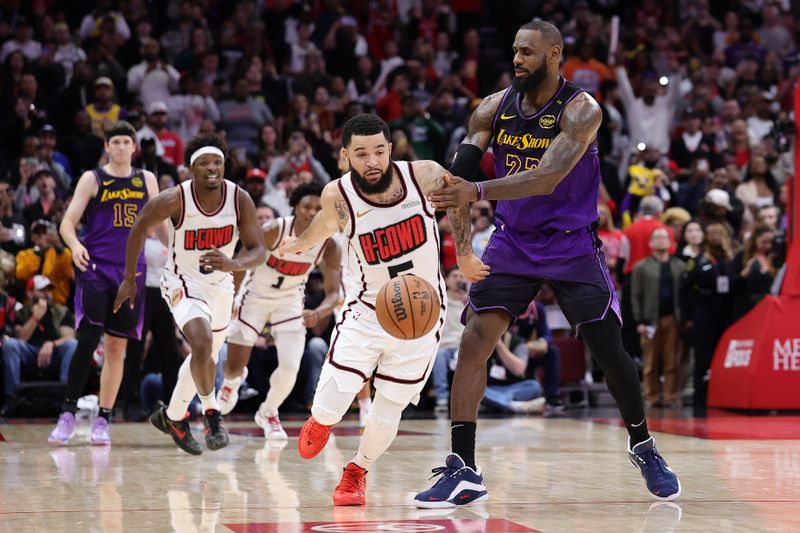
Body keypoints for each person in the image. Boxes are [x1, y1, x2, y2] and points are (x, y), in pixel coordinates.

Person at [414, 21, 680, 507]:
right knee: (475, 340)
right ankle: (463, 467)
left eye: (527, 53)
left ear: (554, 55)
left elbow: (547, 178)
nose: (516, 59)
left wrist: (476, 191)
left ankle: (642, 443)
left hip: (571, 243)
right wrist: (467, 249)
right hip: (513, 242)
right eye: (514, 51)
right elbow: (458, 182)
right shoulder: (491, 108)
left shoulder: (582, 110)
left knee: (608, 350)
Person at [278, 113, 472, 506]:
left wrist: (464, 254)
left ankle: (356, 472)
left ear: (390, 149)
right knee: (335, 397)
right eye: (362, 154)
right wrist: (301, 244)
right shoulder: (339, 194)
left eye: (380, 151)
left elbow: (458, 201)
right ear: (345, 155)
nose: (372, 162)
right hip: (367, 309)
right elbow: (324, 222)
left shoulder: (425, 175)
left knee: (389, 408)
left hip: (422, 315)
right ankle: (322, 420)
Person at [114, 132, 266, 455]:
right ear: (190, 168)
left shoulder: (239, 199)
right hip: (183, 283)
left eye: (217, 162)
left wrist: (233, 262)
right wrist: (129, 278)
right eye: (204, 163)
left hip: (222, 286)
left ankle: (172, 417)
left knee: (205, 357)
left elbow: (259, 251)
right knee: (201, 343)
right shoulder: (174, 199)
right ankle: (212, 413)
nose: (212, 168)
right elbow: (139, 227)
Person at [48, 121, 160, 446]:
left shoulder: (146, 179)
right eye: (117, 142)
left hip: (132, 273)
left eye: (127, 141)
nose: (122, 147)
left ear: (134, 147)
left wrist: (173, 247)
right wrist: (75, 245)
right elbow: (68, 224)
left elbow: (160, 222)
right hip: (96, 268)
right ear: (107, 146)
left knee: (116, 347)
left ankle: (104, 418)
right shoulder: (92, 178)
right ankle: (67, 414)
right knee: (86, 341)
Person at [217, 183, 342, 441]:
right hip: (255, 297)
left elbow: (333, 294)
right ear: (295, 206)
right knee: (233, 365)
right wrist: (231, 300)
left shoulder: (328, 244)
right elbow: (241, 264)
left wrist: (317, 313)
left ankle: (268, 412)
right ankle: (232, 382)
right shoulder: (275, 229)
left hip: (290, 302)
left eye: (318, 208)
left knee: (290, 368)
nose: (311, 212)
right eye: (306, 206)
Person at [631, 228, 685, 408]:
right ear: (651, 243)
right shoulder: (641, 267)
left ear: (671, 243)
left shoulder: (679, 266)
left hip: (673, 319)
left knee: (672, 361)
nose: (662, 241)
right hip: (650, 321)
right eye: (658, 238)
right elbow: (635, 295)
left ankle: (671, 396)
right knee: (650, 362)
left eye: (665, 238)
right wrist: (639, 321)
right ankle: (651, 397)